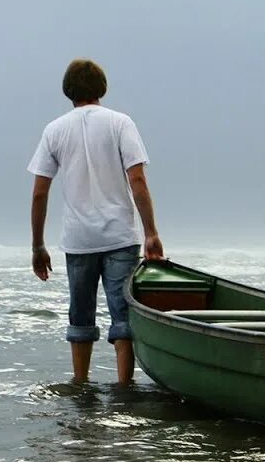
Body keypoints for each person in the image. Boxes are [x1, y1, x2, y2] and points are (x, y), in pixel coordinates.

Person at [27, 58, 164, 384]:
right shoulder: (120, 123)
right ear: (101, 88)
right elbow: (138, 181)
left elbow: (39, 194)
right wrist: (151, 233)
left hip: (79, 239)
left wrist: (37, 245)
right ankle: (124, 388)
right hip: (119, 235)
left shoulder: (55, 130)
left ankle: (80, 385)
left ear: (68, 91)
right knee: (123, 315)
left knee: (81, 313)